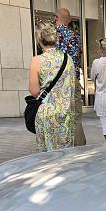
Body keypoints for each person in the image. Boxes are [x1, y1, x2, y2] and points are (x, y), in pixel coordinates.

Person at [29, 22, 77, 152]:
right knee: (65, 154)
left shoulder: (37, 61)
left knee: (47, 157)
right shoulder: (68, 59)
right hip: (66, 113)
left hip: (47, 114)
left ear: (39, 39)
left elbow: (34, 91)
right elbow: (73, 87)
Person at [54, 7, 86, 146]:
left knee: (59, 116)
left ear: (56, 18)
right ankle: (79, 145)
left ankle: (62, 145)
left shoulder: (53, 35)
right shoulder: (76, 37)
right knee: (76, 116)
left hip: (58, 83)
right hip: (74, 81)